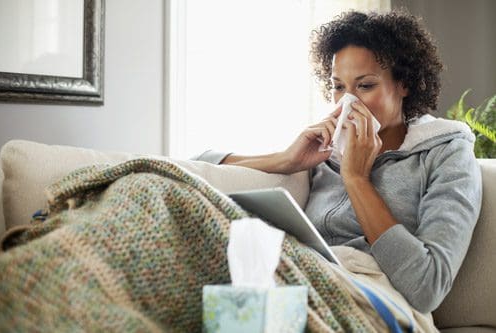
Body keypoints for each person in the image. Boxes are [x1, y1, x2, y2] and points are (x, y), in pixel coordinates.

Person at [194, 10, 482, 313]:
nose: (348, 102)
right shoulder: (324, 150)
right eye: (339, 86)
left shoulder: (447, 153)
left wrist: (356, 179)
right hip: (295, 282)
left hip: (371, 301)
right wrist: (285, 160)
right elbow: (197, 169)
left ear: (404, 84)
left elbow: (427, 287)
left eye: (365, 85)